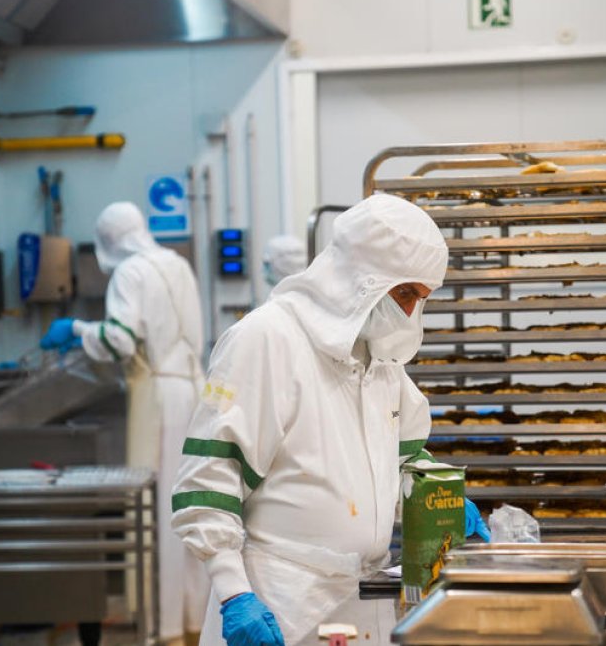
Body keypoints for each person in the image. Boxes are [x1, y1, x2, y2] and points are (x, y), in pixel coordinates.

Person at [171, 194, 489, 646]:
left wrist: (436, 498)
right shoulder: (267, 341)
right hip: (278, 602)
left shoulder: (378, 355)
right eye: (403, 293)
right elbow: (209, 479)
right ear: (360, 278)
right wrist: (233, 593)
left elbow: (400, 456)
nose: (409, 313)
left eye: (421, 298)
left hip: (361, 597)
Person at [39, 202, 209, 644]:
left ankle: (165, 627)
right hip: (194, 392)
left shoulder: (129, 273)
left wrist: (76, 328)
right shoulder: (177, 265)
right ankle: (196, 623)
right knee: (193, 509)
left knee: (158, 515)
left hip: (159, 399)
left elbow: (120, 339)